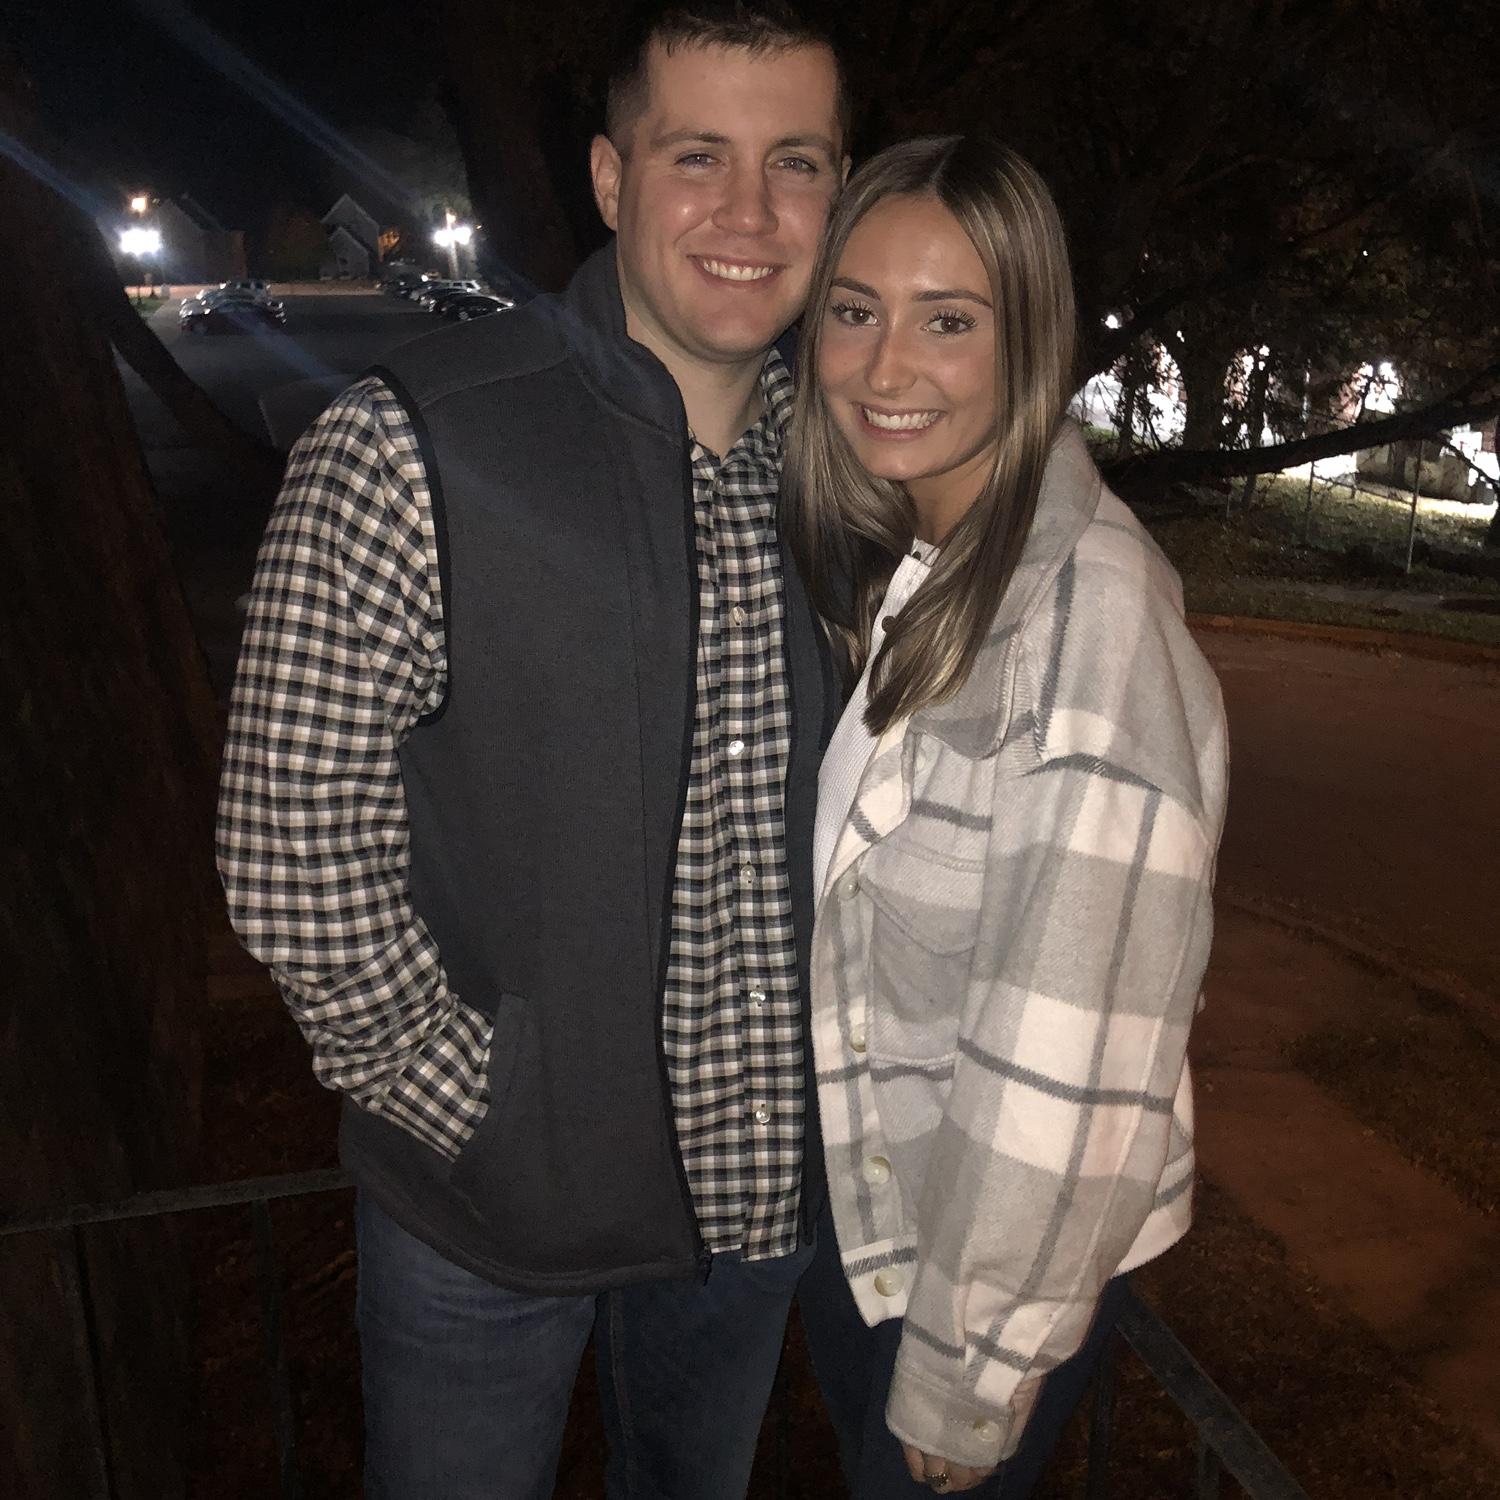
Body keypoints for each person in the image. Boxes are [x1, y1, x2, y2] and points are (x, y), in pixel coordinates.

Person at [215, 6, 850, 1497]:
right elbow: (292, 848)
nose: (750, 212)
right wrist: (480, 1108)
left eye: (796, 163)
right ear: (613, 180)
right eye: (698, 157)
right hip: (486, 1223)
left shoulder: (848, 476)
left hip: (752, 1203)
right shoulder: (412, 445)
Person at [782, 135, 1230, 1497]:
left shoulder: (1086, 622)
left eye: (949, 320)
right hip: (885, 1234)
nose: (885, 367)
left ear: (1031, 341)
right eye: (855, 310)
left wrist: (967, 1372)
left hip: (971, 1289)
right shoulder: (926, 566)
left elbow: (1073, 1052)